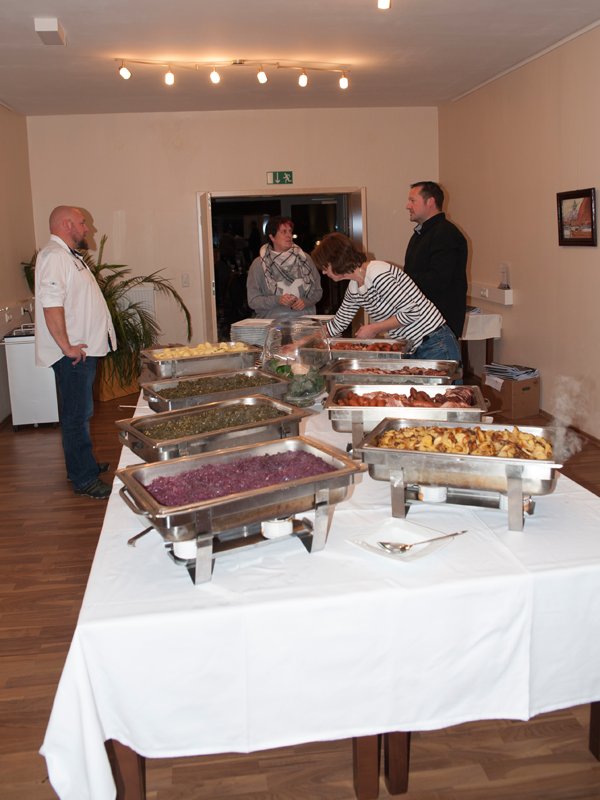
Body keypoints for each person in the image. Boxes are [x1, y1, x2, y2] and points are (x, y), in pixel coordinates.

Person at [35, 206, 117, 499]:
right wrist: (66, 347)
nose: (87, 228)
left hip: (81, 350)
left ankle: (83, 466)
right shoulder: (54, 256)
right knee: (76, 416)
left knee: (81, 413)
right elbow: (51, 304)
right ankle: (84, 479)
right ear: (67, 224)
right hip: (73, 354)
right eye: (82, 223)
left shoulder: (68, 256)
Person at [311, 232, 461, 362]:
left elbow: (411, 312)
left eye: (324, 267)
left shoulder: (377, 273)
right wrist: (304, 343)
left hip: (434, 342)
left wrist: (373, 328)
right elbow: (338, 324)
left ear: (336, 261)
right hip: (412, 346)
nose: (324, 272)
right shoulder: (354, 288)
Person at [403, 181, 468, 340]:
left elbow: (438, 280)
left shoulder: (446, 234)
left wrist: (400, 279)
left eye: (412, 200)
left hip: (438, 330)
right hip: (421, 326)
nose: (407, 206)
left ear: (430, 202)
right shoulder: (420, 235)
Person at [246, 216, 322, 319]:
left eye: (290, 231)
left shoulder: (305, 259)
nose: (289, 235)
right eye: (283, 232)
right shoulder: (258, 265)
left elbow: (318, 291)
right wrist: (277, 300)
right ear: (272, 237)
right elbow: (253, 301)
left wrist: (306, 302)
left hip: (304, 320)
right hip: (271, 322)